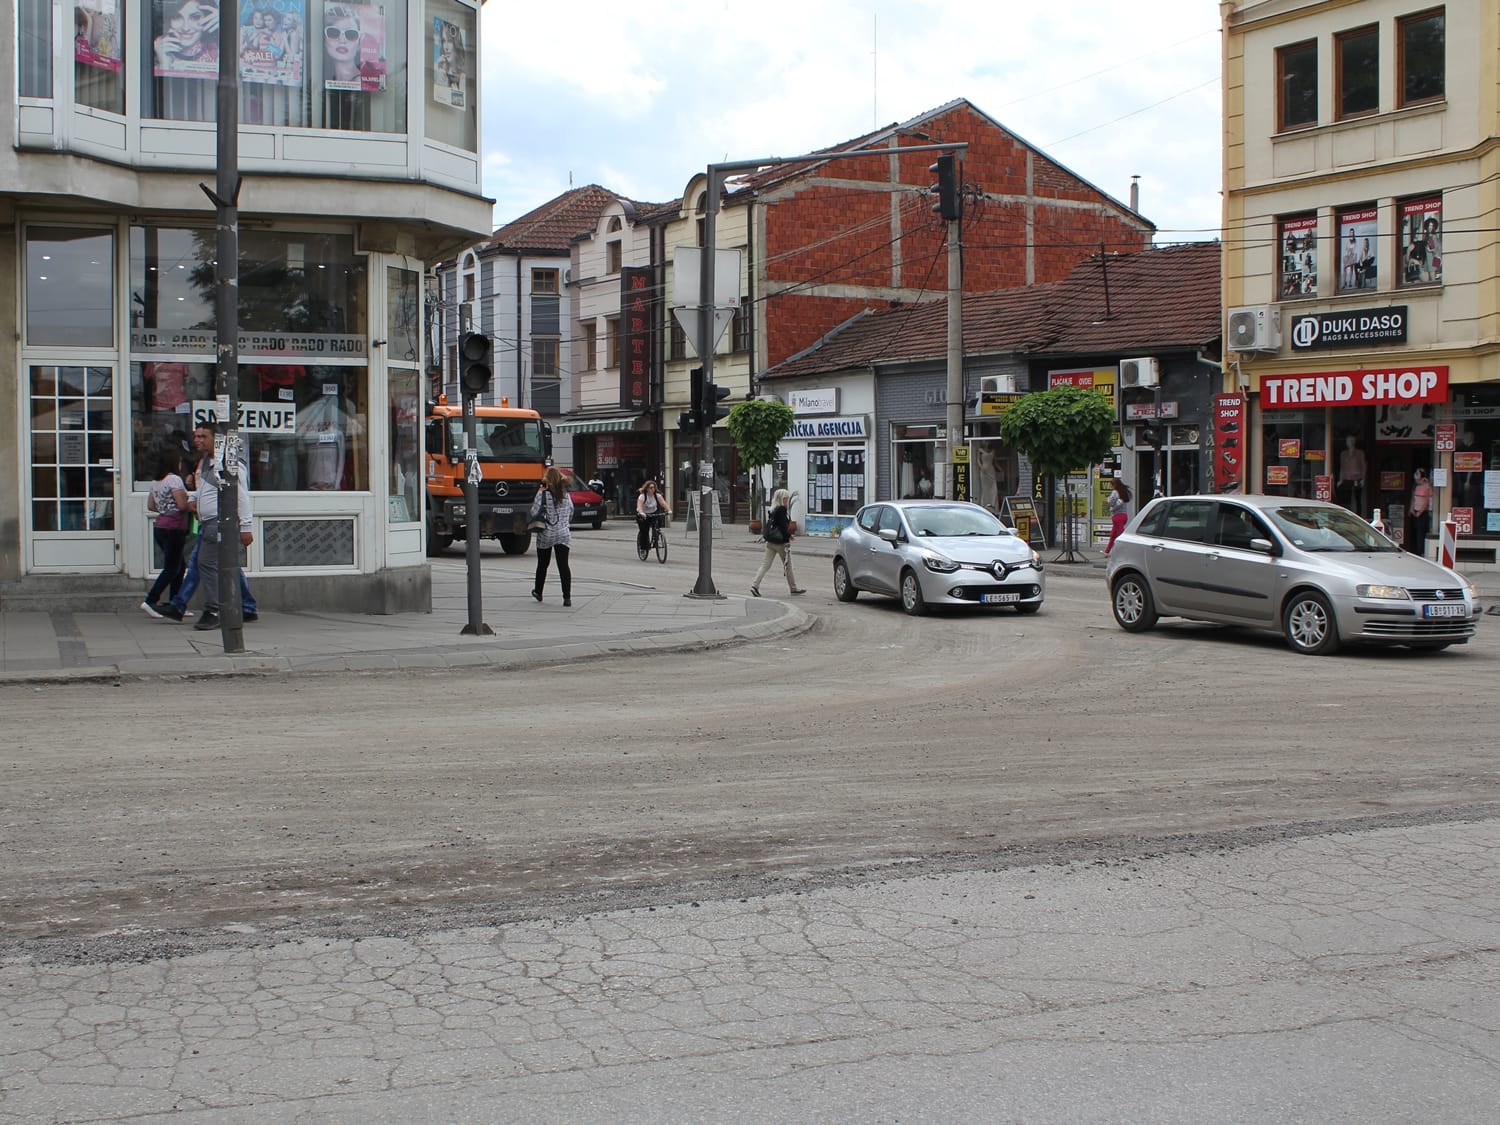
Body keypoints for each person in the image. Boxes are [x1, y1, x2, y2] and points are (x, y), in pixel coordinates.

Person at [156, 423, 255, 630]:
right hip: (207, 522)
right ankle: (244, 606)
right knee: (217, 563)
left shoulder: (227, 463)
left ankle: (214, 610)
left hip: (219, 522)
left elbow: (241, 495)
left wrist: (246, 525)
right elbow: (206, 492)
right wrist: (194, 498)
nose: (197, 440)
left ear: (216, 439)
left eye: (203, 436)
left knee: (206, 564)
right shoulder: (206, 462)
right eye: (196, 436)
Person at [141, 451, 192, 616]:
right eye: (179, 462)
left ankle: (175, 603)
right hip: (174, 528)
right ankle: (151, 600)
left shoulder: (156, 482)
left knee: (179, 565)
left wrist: (164, 510)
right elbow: (182, 505)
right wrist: (189, 499)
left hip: (160, 526)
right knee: (172, 568)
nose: (180, 465)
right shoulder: (174, 480)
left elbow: (150, 505)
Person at [529, 466, 574, 605]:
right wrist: (564, 523)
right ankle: (567, 597)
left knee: (543, 564)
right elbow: (571, 512)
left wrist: (540, 491)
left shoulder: (542, 494)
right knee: (563, 565)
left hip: (546, 533)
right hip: (563, 534)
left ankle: (538, 591)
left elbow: (533, 512)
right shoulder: (566, 495)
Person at [750, 488, 806, 598]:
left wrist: (789, 536)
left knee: (765, 565)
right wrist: (787, 540)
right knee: (788, 565)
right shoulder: (781, 509)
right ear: (781, 499)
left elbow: (775, 526)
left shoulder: (773, 509)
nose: (787, 500)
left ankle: (755, 585)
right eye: (786, 498)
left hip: (770, 541)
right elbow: (782, 527)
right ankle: (793, 588)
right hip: (780, 543)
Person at [636, 479, 667, 554]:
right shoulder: (642, 496)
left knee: (657, 524)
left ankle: (656, 537)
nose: (652, 489)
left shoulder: (657, 495)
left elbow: (663, 503)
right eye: (650, 488)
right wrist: (641, 513)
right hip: (644, 514)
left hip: (653, 512)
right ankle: (643, 548)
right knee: (644, 531)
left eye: (653, 487)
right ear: (647, 488)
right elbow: (639, 506)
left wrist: (668, 510)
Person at [1337, 433, 1366, 512]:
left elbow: (1363, 465)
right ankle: (1347, 514)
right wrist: (1341, 479)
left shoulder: (1360, 453)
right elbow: (1342, 467)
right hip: (1347, 477)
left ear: (1354, 441)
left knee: (1358, 498)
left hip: (1357, 477)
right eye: (1348, 441)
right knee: (1347, 498)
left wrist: (1363, 478)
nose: (1350, 442)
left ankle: (1358, 515)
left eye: (1352, 440)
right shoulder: (1343, 454)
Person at [1104, 476, 1132, 555]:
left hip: (1117, 516)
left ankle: (1125, 551)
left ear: (1114, 485)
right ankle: (1107, 551)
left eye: (1111, 485)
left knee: (1120, 534)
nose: (1110, 486)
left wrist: (1108, 500)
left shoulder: (1115, 492)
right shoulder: (1123, 491)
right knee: (1113, 534)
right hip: (1124, 515)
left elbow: (1111, 503)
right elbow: (1123, 501)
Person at [1408, 468, 1433, 555]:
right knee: (1415, 531)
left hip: (1422, 512)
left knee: (1421, 531)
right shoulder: (1415, 486)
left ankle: (1420, 551)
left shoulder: (1427, 487)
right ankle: (1415, 549)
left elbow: (1427, 501)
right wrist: (1411, 509)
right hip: (1415, 510)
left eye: (1418, 474)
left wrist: (1420, 511)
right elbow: (1413, 498)